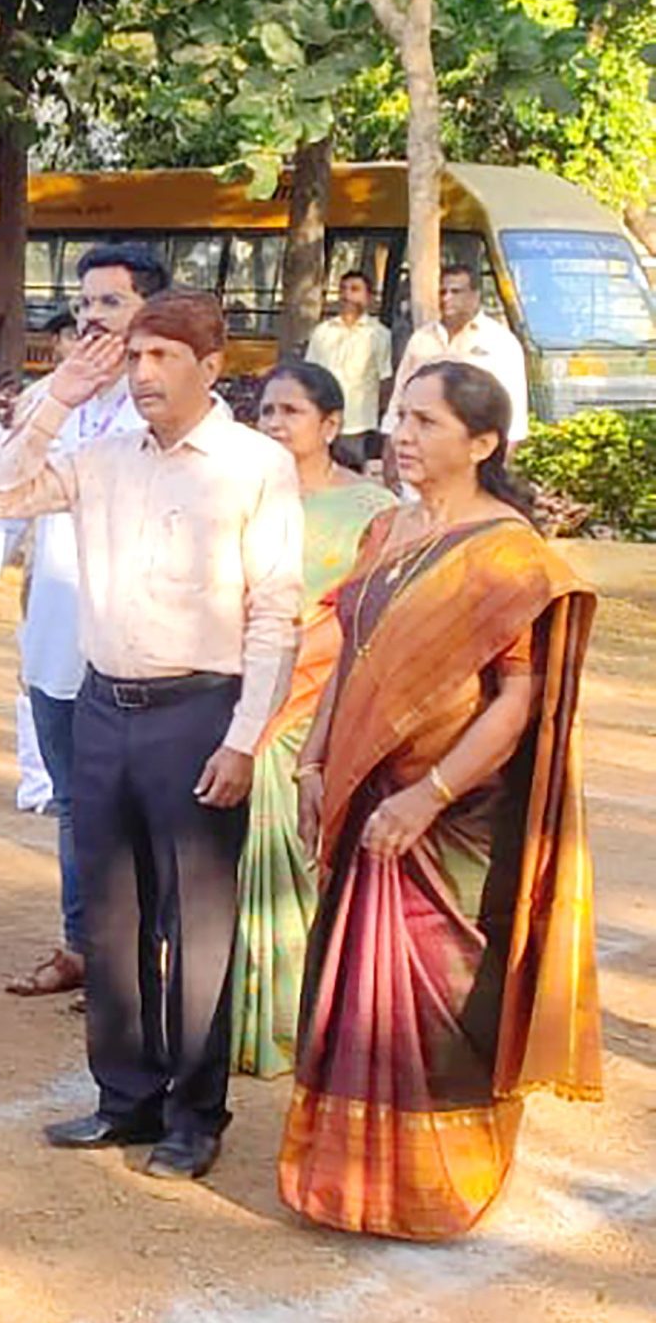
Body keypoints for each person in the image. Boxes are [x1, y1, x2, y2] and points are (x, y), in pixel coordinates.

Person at [0, 291, 302, 1182]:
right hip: (102, 707)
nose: (144, 373)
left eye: (163, 356)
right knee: (113, 916)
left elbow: (276, 610)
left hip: (201, 709)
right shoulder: (100, 458)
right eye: (135, 357)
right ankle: (124, 1098)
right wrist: (58, 400)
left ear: (213, 364)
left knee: (196, 923)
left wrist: (242, 739)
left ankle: (195, 1115)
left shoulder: (254, 465)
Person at [282, 362, 597, 1237]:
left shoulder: (510, 556)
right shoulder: (387, 531)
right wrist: (314, 762)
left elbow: (517, 700)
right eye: (399, 417)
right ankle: (343, 1179)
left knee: (439, 1000)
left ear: (483, 443)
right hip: (366, 788)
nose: (402, 434)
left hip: (454, 814)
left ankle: (434, 1185)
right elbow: (352, 656)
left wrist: (427, 794)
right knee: (352, 989)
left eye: (425, 421)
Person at [0, 247, 166, 998]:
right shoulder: (51, 404)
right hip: (55, 642)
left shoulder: (175, 408)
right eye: (86, 304)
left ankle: (140, 963)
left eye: (111, 302)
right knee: (74, 805)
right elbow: (1, 508)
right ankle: (83, 947)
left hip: (145, 650)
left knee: (142, 811)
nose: (92, 317)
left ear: (151, 312)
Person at [230, 363, 395, 1076]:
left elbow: (368, 617)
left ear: (331, 425)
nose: (274, 424)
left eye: (290, 411)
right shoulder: (236, 493)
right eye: (265, 410)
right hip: (239, 692)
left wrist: (301, 685)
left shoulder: (373, 508)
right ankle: (245, 1019)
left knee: (310, 857)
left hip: (322, 707)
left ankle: (310, 1017)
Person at [387, 263, 530, 447]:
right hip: (423, 446)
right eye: (442, 292)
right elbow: (400, 396)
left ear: (475, 296)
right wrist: (390, 443)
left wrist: (502, 459)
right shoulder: (421, 339)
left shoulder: (500, 342)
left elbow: (514, 408)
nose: (447, 298)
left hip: (473, 448)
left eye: (456, 292)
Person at [305, 269, 394, 467]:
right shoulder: (323, 332)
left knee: (353, 482)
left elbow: (385, 381)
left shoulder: (379, 335)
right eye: (343, 290)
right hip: (323, 423)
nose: (347, 295)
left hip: (359, 427)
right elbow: (310, 377)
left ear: (369, 297)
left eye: (355, 290)